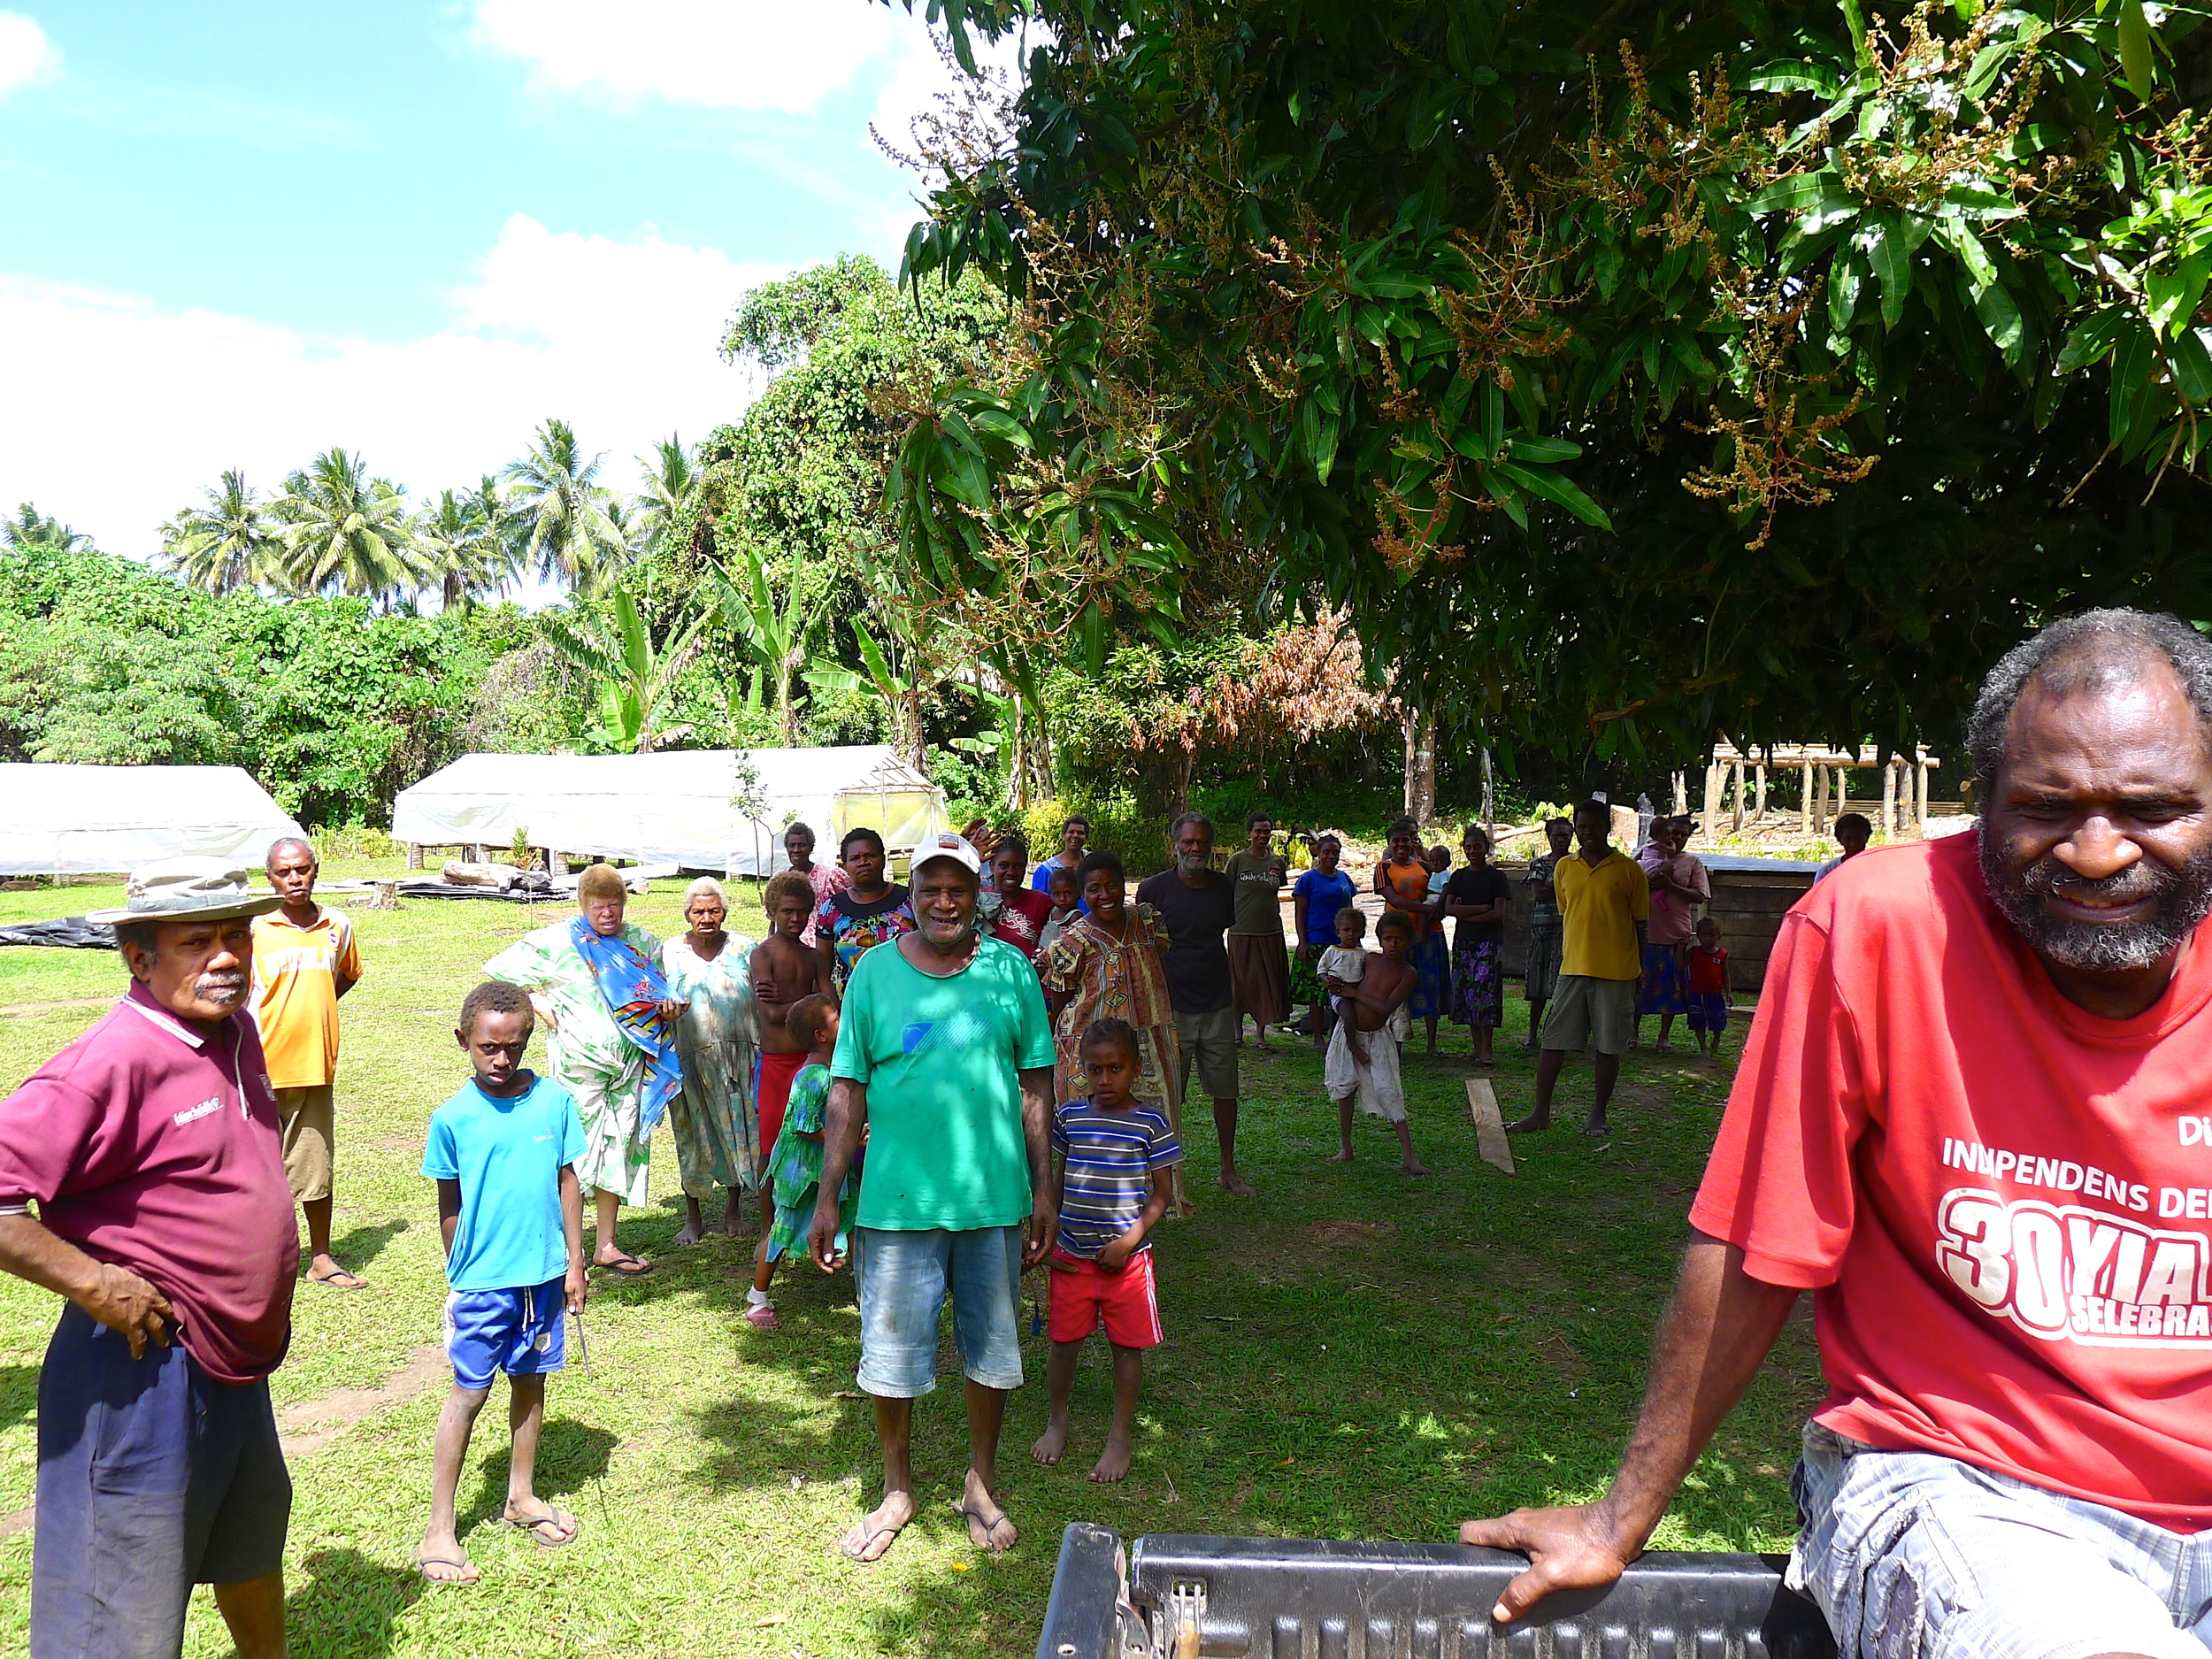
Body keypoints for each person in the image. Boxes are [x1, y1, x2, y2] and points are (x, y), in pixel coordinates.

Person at [1463, 608, 2212, 1657]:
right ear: (1980, 807)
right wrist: (1614, 1519)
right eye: (2046, 809)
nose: (2093, 852)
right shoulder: (1878, 927)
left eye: (2153, 807)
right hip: (1971, 1485)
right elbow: (1754, 1244)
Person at [0, 860, 296, 1659]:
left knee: (249, 1539)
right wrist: (93, 1281)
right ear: (139, 957)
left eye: (236, 934)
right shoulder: (108, 1060)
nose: (227, 956)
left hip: (235, 1361)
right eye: (197, 941)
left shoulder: (233, 1029)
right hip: (141, 1371)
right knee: (117, 1606)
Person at [807, 832, 1056, 1563]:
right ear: (910, 893)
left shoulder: (1012, 971)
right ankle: (897, 1486)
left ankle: (981, 1480)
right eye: (931, 888)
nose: (944, 901)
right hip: (895, 1202)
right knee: (891, 1353)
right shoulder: (874, 974)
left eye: (958, 888)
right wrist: (828, 1199)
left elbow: (1038, 1084)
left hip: (993, 1198)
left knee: (993, 1348)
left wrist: (1046, 1187)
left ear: (979, 895)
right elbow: (847, 1090)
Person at [415, 981, 589, 1585]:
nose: (501, 1059)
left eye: (513, 1047)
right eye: (489, 1046)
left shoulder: (553, 1103)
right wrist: (463, 1269)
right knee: (469, 1392)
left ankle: (521, 1494)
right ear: (464, 1040)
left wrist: (575, 1260)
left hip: (542, 1277)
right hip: (485, 1285)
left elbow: (569, 1181)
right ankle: (439, 1529)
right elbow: (450, 1201)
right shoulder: (452, 1118)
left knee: (531, 1382)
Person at [483, 863, 685, 1279]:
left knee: (620, 1147)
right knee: (574, 1153)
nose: (607, 914)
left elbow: (662, 992)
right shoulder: (559, 941)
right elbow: (497, 971)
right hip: (579, 1067)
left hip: (630, 1066)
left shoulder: (642, 943)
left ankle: (606, 1244)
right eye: (598, 907)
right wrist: (534, 1000)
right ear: (583, 905)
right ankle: (564, 1249)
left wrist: (670, 1009)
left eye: (614, 906)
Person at [1031, 1018, 1181, 1484]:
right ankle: (1058, 1420)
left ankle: (1120, 1435)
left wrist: (1130, 1240)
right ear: (1083, 1069)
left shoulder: (1151, 1123)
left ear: (1136, 1068)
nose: (1105, 1079)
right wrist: (1047, 1231)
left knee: (1126, 1347)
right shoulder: (1070, 1117)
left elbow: (1163, 1194)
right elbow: (1058, 1178)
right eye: (1095, 1070)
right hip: (1072, 1255)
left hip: (1127, 1261)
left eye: (1115, 1068)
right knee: (1063, 1343)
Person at [252, 834, 366, 1289]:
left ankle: (321, 1258)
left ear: (315, 869)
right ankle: (263, 1262)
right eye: (284, 872)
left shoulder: (338, 925)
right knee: (256, 1169)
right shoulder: (254, 930)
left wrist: (315, 1010)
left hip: (314, 1068)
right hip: (258, 1069)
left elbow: (345, 975)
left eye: (302, 869)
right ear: (270, 878)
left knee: (314, 1164)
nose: (294, 879)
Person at [1040, 850, 1184, 1203]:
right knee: (1085, 1131)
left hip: (1147, 1042)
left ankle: (1139, 1208)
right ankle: (1078, 1208)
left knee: (1146, 1125)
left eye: (1111, 886)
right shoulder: (1074, 940)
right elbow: (1061, 998)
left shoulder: (1147, 923)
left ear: (1124, 887)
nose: (1104, 895)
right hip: (1091, 1048)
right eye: (1093, 889)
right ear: (1081, 894)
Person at [1509, 800, 1648, 1136]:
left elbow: (1641, 925)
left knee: (1608, 1046)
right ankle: (1540, 1113)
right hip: (1573, 969)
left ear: (1607, 828)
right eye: (1581, 827)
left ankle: (1597, 1116)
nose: (1587, 833)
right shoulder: (1564, 868)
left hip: (1617, 972)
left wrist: (1641, 971)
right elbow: (1567, 910)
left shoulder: (1629, 870)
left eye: (1593, 826)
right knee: (1553, 1041)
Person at [1135, 812, 1254, 1197]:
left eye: (1201, 841)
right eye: (1188, 841)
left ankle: (1228, 1169)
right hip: (1170, 1008)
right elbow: (1144, 947)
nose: (1195, 848)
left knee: (1225, 1091)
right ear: (1174, 845)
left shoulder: (1223, 887)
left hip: (1217, 1003)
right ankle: (1161, 1180)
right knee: (1167, 1097)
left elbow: (1227, 935)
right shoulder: (1153, 890)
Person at [657, 876, 760, 1247]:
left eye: (713, 911)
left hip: (739, 1057)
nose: (706, 918)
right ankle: (693, 1216)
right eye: (698, 911)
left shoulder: (747, 948)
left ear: (724, 912)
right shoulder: (668, 952)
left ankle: (734, 1211)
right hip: (689, 1059)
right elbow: (652, 999)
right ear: (687, 914)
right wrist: (664, 1010)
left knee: (737, 1131)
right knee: (692, 1133)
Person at [751, 869, 833, 1289]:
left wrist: (789, 1003)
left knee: (816, 1137)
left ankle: (815, 1219)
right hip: (777, 1063)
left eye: (803, 911)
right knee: (772, 1146)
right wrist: (803, 1005)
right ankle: (770, 1226)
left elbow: (828, 1004)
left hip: (812, 1063)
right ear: (771, 911)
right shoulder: (762, 954)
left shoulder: (814, 956)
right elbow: (768, 1014)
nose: (796, 919)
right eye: (787, 911)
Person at [753, 994, 856, 1329]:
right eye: (837, 1018)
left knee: (852, 1222)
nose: (845, 1019)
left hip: (828, 1165)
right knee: (783, 1228)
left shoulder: (832, 1069)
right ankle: (757, 1298)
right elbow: (805, 1126)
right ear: (820, 1036)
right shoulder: (815, 1077)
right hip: (802, 1171)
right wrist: (847, 1137)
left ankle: (866, 1293)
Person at [1324, 910, 1425, 1174]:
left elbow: (1385, 1008)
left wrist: (1353, 993)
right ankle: (1346, 1147)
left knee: (1389, 1091)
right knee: (1345, 1088)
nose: (1393, 945)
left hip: (1377, 1038)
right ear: (1379, 940)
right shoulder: (1369, 959)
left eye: (1400, 939)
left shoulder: (1408, 974)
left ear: (1409, 941)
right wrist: (1336, 986)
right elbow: (1344, 972)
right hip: (1349, 1034)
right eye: (1388, 939)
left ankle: (1409, 1156)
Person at [1637, 815, 1710, 1052]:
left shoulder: (1692, 862)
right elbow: (1631, 879)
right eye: (1673, 832)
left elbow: (1699, 895)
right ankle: (1632, 1033)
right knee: (1638, 984)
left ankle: (1663, 1037)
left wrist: (1670, 887)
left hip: (1675, 932)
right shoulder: (1646, 854)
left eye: (1682, 834)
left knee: (1671, 986)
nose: (1676, 838)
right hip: (1646, 930)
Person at [1374, 818, 1447, 1056]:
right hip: (1397, 936)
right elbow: (1393, 900)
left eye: (1405, 840)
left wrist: (1432, 913)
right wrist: (1426, 909)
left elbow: (1436, 892)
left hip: (1428, 935)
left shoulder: (1425, 867)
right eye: (1396, 841)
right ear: (1389, 844)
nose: (1401, 845)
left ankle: (1432, 1043)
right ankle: (1396, 1044)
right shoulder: (1383, 868)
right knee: (1395, 988)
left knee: (1429, 984)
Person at [814, 827, 915, 992]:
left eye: (870, 856)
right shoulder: (831, 909)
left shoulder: (909, 901)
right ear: (845, 866)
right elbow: (822, 971)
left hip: (905, 999)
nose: (863, 862)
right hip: (851, 1005)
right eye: (855, 858)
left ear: (883, 859)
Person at [1444, 826, 1512, 1064]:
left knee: (1486, 993)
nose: (1473, 851)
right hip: (1464, 942)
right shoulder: (1459, 876)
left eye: (1478, 846)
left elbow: (1497, 913)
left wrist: (1465, 914)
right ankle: (1476, 1048)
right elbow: (1448, 908)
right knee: (1468, 994)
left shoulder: (1497, 877)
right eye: (1469, 847)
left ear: (1487, 848)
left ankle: (1487, 1049)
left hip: (1488, 943)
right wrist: (1479, 909)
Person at [1224, 810, 1291, 1048]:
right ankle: (1237, 1033)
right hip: (1241, 930)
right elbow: (1225, 891)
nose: (1262, 835)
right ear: (1249, 833)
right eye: (1258, 831)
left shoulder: (1276, 863)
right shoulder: (1237, 861)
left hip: (1270, 930)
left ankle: (1261, 1036)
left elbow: (1277, 889)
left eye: (1266, 831)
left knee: (1265, 982)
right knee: (1240, 982)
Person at [1289, 833, 1360, 1048]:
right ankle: (1318, 1037)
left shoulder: (1345, 879)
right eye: (1327, 852)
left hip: (1341, 944)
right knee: (1315, 992)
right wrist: (1303, 941)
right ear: (1318, 853)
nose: (1331, 856)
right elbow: (1299, 912)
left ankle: (1335, 1036)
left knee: (1339, 989)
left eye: (1335, 852)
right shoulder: (1307, 880)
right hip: (1316, 941)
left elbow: (1351, 910)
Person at [1519, 818, 1573, 1048]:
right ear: (1548, 837)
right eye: (1557, 835)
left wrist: (1552, 884)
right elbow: (1537, 893)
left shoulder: (1577, 863)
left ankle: (1561, 1035)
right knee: (1539, 987)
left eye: (1566, 835)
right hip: (1542, 931)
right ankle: (1532, 1033)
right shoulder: (1539, 864)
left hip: (1569, 931)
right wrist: (1560, 885)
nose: (1561, 839)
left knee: (1564, 987)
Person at [980, 833, 1056, 963]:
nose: (1011, 872)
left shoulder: (1041, 902)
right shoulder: (978, 901)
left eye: (1018, 866)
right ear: (992, 867)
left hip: (1028, 980)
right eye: (1003, 865)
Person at [1317, 905, 1371, 1064]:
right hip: (1339, 993)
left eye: (1356, 931)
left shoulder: (1363, 954)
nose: (1351, 934)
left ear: (1362, 933)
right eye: (1347, 930)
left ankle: (1343, 1042)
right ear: (1338, 932)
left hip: (1356, 993)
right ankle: (1353, 1046)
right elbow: (1321, 970)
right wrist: (1327, 980)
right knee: (1348, 1015)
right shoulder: (1332, 951)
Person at [781, 820, 846, 946]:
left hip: (824, 945)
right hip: (789, 947)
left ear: (811, 847)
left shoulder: (830, 876)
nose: (796, 850)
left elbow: (849, 905)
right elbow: (774, 920)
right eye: (792, 845)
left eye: (801, 845)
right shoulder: (780, 880)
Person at [1684, 917, 1730, 1057]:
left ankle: (1716, 1039)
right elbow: (1681, 965)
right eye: (1703, 935)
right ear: (1698, 936)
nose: (1707, 938)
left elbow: (1725, 974)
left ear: (1718, 937)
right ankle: (1703, 1046)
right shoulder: (1694, 952)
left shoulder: (1722, 954)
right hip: (1696, 994)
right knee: (1698, 1020)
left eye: (1711, 935)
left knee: (1717, 1019)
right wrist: (1681, 949)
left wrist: (1728, 992)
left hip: (1714, 994)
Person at [1030, 814, 1091, 904]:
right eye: (1071, 832)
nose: (1075, 835)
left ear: (1086, 838)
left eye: (1081, 833)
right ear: (1064, 835)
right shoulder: (1047, 870)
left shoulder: (1091, 864)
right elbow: (1038, 904)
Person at [1814, 810, 1873, 880]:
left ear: (1867, 838)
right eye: (1848, 839)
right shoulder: (1828, 871)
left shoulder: (1875, 869)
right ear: (1840, 840)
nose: (1853, 844)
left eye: (1858, 838)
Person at [1038, 864, 1081, 958]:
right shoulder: (1054, 910)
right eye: (1057, 894)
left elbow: (1072, 946)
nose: (1063, 899)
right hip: (1043, 953)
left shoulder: (1075, 916)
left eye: (1068, 893)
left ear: (1078, 893)